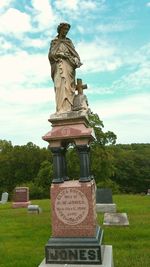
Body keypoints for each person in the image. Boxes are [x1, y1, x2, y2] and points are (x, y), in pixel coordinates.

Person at [48, 23, 82, 113]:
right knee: (59, 85)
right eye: (64, 30)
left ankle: (69, 108)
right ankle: (61, 109)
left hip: (69, 66)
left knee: (68, 86)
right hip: (59, 65)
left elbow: (75, 54)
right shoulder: (54, 42)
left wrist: (76, 60)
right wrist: (59, 54)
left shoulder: (68, 42)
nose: (65, 32)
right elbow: (51, 55)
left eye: (67, 30)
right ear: (60, 30)